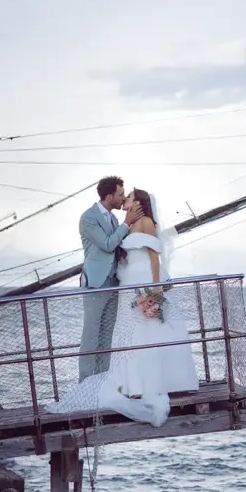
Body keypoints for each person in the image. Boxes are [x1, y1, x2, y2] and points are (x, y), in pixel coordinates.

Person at [50, 186, 199, 427]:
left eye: (129, 196)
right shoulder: (125, 224)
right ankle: (132, 384)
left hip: (142, 281)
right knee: (128, 335)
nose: (125, 199)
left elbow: (153, 257)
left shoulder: (147, 223)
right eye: (124, 195)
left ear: (139, 203)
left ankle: (158, 382)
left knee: (149, 331)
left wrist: (156, 288)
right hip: (127, 283)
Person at [78, 176, 141, 380]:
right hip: (95, 284)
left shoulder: (113, 219)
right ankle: (85, 385)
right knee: (91, 336)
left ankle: (102, 381)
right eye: (120, 194)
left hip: (113, 282)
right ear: (108, 196)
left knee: (106, 336)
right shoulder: (88, 218)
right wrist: (127, 223)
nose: (122, 198)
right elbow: (107, 244)